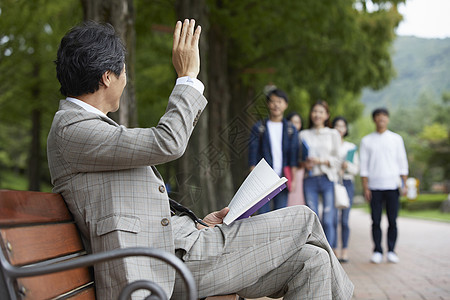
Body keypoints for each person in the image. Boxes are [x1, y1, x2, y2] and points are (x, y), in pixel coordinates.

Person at [47, 20, 354, 299]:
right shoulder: (73, 128)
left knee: (311, 261)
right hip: (163, 267)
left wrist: (196, 223)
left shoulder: (87, 129)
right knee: (303, 218)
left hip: (178, 249)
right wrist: (187, 79)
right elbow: (168, 142)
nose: (126, 81)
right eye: (125, 72)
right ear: (107, 77)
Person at [360, 108, 408, 264]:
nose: (381, 118)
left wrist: (404, 184)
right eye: (378, 116)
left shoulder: (396, 139)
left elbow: (402, 162)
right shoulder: (366, 140)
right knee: (375, 220)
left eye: (384, 116)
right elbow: (364, 167)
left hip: (392, 185)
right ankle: (377, 250)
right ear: (374, 119)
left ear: (387, 119)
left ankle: (392, 250)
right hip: (374, 186)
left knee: (392, 220)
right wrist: (366, 187)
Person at [248, 88, 299, 213]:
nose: (276, 104)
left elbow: (294, 157)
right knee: (262, 216)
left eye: (279, 101)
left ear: (285, 105)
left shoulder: (291, 129)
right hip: (263, 179)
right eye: (273, 101)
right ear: (268, 104)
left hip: (283, 179)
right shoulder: (259, 127)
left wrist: (294, 180)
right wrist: (253, 177)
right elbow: (252, 154)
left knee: (280, 217)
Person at [299, 100, 341, 247]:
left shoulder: (333, 134)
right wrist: (306, 163)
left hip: (327, 178)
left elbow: (338, 160)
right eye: (315, 111)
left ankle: (330, 252)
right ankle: (317, 252)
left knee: (329, 218)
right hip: (309, 179)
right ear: (311, 114)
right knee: (313, 219)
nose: (317, 114)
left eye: (321, 112)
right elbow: (298, 158)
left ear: (327, 115)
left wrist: (321, 160)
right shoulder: (303, 134)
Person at [332, 116, 359, 263]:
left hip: (347, 183)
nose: (339, 129)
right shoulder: (329, 145)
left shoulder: (351, 147)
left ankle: (345, 251)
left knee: (345, 220)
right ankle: (334, 250)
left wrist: (347, 166)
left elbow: (356, 169)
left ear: (346, 129)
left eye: (342, 126)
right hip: (333, 183)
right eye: (336, 125)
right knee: (333, 219)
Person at [286, 112, 305, 206]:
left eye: (297, 122)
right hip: (286, 173)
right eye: (292, 122)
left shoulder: (302, 139)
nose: (295, 125)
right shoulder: (283, 139)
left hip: (300, 173)